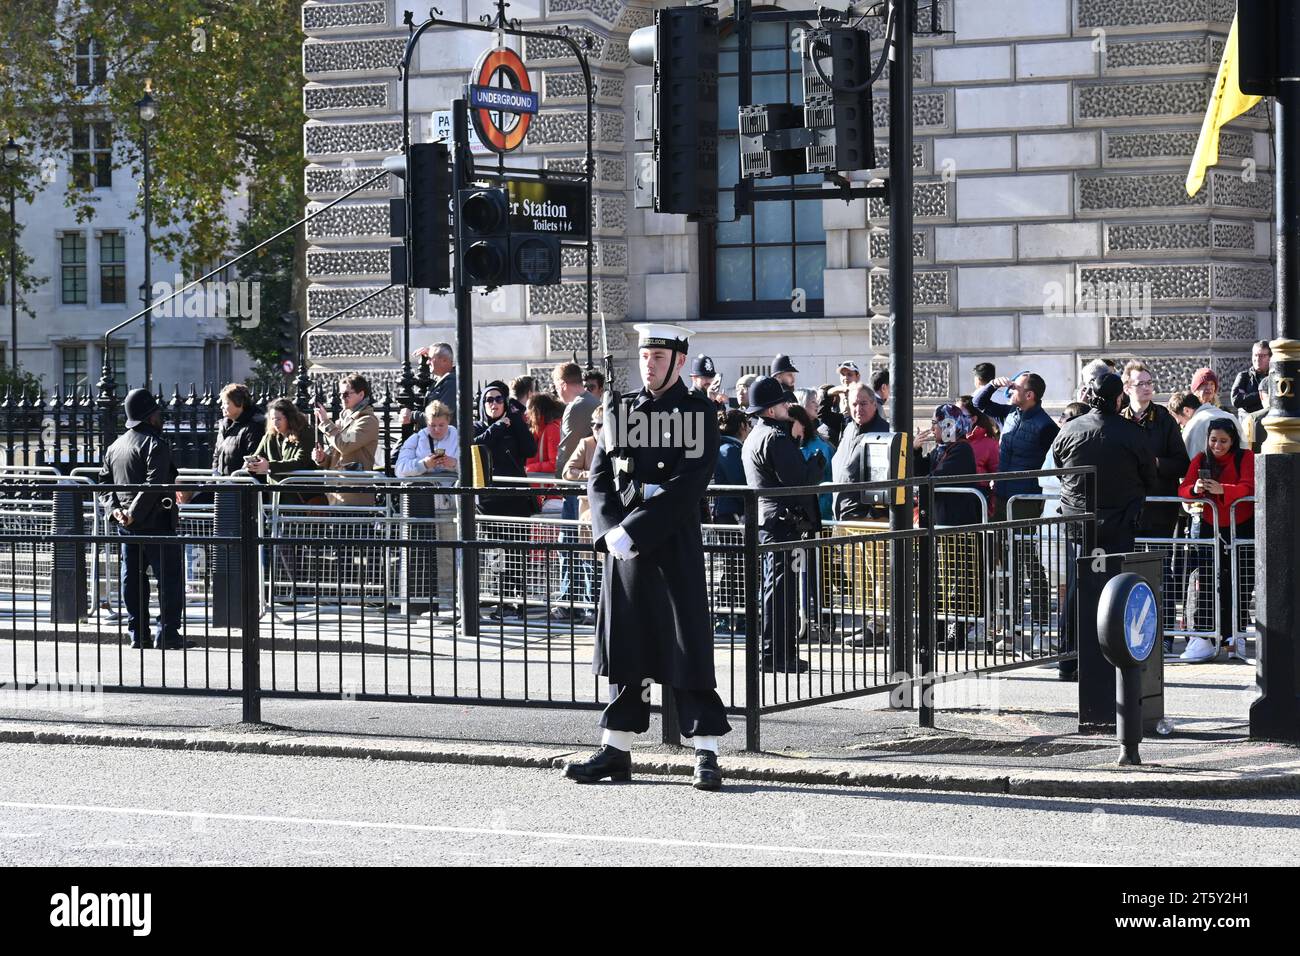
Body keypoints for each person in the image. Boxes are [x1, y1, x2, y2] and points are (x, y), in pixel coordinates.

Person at [562, 323, 728, 791]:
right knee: (626, 648)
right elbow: (599, 476)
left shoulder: (698, 411)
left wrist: (635, 528)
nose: (648, 364)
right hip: (624, 549)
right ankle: (616, 749)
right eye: (644, 356)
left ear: (678, 361)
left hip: (670, 542)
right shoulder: (621, 408)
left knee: (686, 646)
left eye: (658, 356)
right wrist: (609, 530)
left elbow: (689, 483)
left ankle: (706, 753)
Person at [1052, 373, 1159, 679]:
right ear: (1118, 399)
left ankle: (1068, 660)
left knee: (1076, 589)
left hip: (1079, 521)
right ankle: (1110, 657)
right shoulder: (1132, 433)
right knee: (1116, 589)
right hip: (1119, 520)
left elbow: (1061, 468)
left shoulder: (1070, 428)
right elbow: (1148, 476)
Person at [741, 376, 826, 673]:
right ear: (768, 410)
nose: (788, 407)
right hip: (781, 522)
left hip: (768, 520)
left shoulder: (755, 435)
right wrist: (816, 463)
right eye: (782, 402)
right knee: (780, 592)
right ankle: (776, 655)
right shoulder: (775, 438)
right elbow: (798, 481)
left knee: (777, 589)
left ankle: (778, 653)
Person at [972, 370, 1059, 652]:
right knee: (1005, 566)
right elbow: (978, 403)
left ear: (1030, 395)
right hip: (1002, 498)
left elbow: (1059, 456)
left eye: (1016, 387)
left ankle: (1040, 627)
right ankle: (1009, 630)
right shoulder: (1009, 414)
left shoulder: (1045, 425)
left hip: (1024, 501)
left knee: (1029, 563)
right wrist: (992, 386)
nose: (1010, 391)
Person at [97, 388, 189, 650]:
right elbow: (154, 483)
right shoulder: (155, 444)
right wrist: (132, 515)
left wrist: (117, 511)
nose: (161, 416)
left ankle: (138, 634)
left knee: (132, 579)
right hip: (156, 522)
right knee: (169, 579)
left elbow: (104, 483)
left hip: (127, 526)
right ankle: (168, 633)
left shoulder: (115, 446)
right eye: (157, 412)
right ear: (149, 416)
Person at [1178, 417, 1254, 663]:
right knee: (1206, 580)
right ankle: (1204, 635)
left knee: (1241, 579)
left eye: (1223, 441)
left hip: (1241, 525)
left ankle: (1236, 634)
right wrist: (1195, 488)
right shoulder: (1201, 458)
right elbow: (1184, 489)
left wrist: (1224, 489)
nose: (1218, 446)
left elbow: (1249, 487)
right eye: (1213, 440)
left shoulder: (1246, 457)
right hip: (1210, 526)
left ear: (1233, 440)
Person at [914, 404, 982, 649]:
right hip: (938, 522)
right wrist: (914, 451)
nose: (933, 428)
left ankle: (957, 629)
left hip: (955, 523)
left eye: (937, 423)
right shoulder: (940, 450)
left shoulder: (961, 450)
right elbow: (919, 473)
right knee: (937, 580)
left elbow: (936, 479)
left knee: (956, 579)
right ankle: (938, 628)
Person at [473, 381, 538, 618]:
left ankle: (519, 600)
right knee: (497, 554)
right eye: (489, 400)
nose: (494, 404)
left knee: (518, 552)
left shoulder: (515, 425)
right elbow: (477, 445)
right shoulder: (478, 426)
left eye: (499, 399)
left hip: (516, 500)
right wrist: (499, 426)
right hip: (490, 502)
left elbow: (530, 450)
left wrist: (515, 420)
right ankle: (502, 600)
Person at [1119, 361, 1189, 541]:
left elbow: (1182, 464)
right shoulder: (1119, 421)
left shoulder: (1165, 420)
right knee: (1129, 563)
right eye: (1140, 384)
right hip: (1128, 508)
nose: (1147, 387)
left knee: (1161, 565)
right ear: (1127, 388)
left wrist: (1156, 462)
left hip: (1160, 507)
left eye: (1149, 382)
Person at [560, 404, 603, 624]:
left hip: (612, 513)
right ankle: (589, 608)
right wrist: (591, 475)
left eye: (602, 426)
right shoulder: (586, 444)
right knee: (589, 563)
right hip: (588, 512)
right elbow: (568, 471)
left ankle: (604, 607)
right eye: (594, 425)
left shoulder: (622, 444)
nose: (597, 429)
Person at [313, 372, 380, 505]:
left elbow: (344, 444)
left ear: (361, 394)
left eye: (346, 394)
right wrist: (322, 458)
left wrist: (326, 422)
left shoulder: (367, 421)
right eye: (340, 395)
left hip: (355, 498)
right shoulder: (343, 420)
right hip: (336, 496)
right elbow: (336, 453)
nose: (342, 398)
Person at [831, 382, 890, 521]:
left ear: (874, 404)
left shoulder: (884, 433)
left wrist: (874, 514)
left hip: (866, 521)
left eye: (863, 404)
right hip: (842, 516)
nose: (858, 409)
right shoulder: (849, 428)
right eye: (854, 404)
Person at [246, 398, 320, 504]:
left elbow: (301, 461)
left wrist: (269, 466)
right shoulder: (270, 436)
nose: (275, 423)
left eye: (278, 419)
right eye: (272, 419)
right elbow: (258, 455)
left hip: (300, 497)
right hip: (276, 497)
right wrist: (252, 464)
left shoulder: (304, 433)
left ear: (289, 418)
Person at [788, 403, 833, 522]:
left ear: (801, 424)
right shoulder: (795, 445)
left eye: (790, 423)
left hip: (822, 512)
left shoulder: (819, 447)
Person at [210, 383, 264, 478]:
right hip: (223, 486)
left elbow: (253, 460)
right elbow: (216, 458)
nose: (221, 407)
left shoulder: (253, 426)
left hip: (242, 488)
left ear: (239, 403)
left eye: (226, 403)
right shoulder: (224, 426)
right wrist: (212, 484)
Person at [395, 400, 459, 478]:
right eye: (432, 425)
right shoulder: (416, 439)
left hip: (451, 487)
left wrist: (455, 463)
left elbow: (473, 466)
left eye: (441, 425)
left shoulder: (459, 438)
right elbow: (399, 470)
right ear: (427, 423)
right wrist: (424, 464)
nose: (437, 429)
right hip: (422, 487)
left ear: (448, 422)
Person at [525, 392, 565, 512]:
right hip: (546, 496)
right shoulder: (545, 429)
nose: (526, 413)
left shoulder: (551, 429)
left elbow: (554, 465)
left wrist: (528, 468)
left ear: (536, 411)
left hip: (549, 498)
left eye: (528, 409)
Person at [959, 395, 1000, 510]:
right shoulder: (950, 439)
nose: (955, 419)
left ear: (973, 419)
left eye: (960, 415)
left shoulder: (990, 444)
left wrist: (991, 507)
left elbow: (998, 477)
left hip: (976, 499)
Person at [1168, 390, 1221, 460]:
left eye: (1179, 421)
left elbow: (1188, 460)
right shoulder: (1229, 416)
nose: (1179, 425)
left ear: (1186, 411)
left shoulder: (1192, 427)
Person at [1231, 340, 1272, 416]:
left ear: (1269, 357)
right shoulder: (1244, 377)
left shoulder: (1274, 377)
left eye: (1262, 356)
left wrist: (1249, 398)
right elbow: (1236, 400)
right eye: (1255, 355)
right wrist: (1263, 394)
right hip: (1249, 424)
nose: (1258, 359)